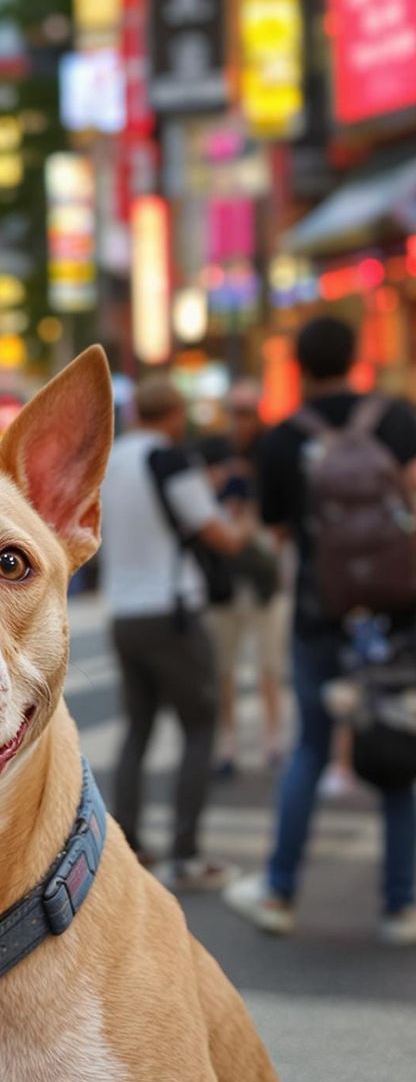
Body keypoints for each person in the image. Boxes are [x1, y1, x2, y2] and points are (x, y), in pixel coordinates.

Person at [226, 317, 416, 945]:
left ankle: (279, 891)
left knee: (310, 748)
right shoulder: (398, 420)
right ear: (358, 356)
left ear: (301, 367)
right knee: (399, 751)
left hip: (320, 615)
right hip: (396, 616)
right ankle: (402, 906)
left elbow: (277, 537)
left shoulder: (282, 440)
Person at [99, 377, 246, 889]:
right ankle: (187, 853)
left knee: (137, 729)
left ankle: (129, 843)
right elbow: (218, 536)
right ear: (177, 414)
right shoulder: (170, 460)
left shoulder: (110, 463)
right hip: (173, 611)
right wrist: (241, 522)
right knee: (199, 726)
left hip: (125, 612)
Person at [201, 384, 288, 773]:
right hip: (224, 581)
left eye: (248, 411)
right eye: (236, 411)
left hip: (264, 577)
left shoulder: (273, 451)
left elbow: (281, 518)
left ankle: (273, 740)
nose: (242, 419)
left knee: (270, 665)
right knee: (224, 669)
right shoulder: (214, 451)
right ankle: (228, 744)